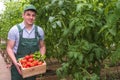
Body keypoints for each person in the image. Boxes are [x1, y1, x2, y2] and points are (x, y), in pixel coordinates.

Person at [6, 4, 46, 80]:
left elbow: (42, 46)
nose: (31, 17)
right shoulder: (15, 30)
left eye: (33, 15)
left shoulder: (39, 31)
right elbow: (9, 48)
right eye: (28, 14)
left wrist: (40, 59)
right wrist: (16, 63)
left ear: (35, 17)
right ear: (23, 15)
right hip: (17, 65)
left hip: (32, 66)